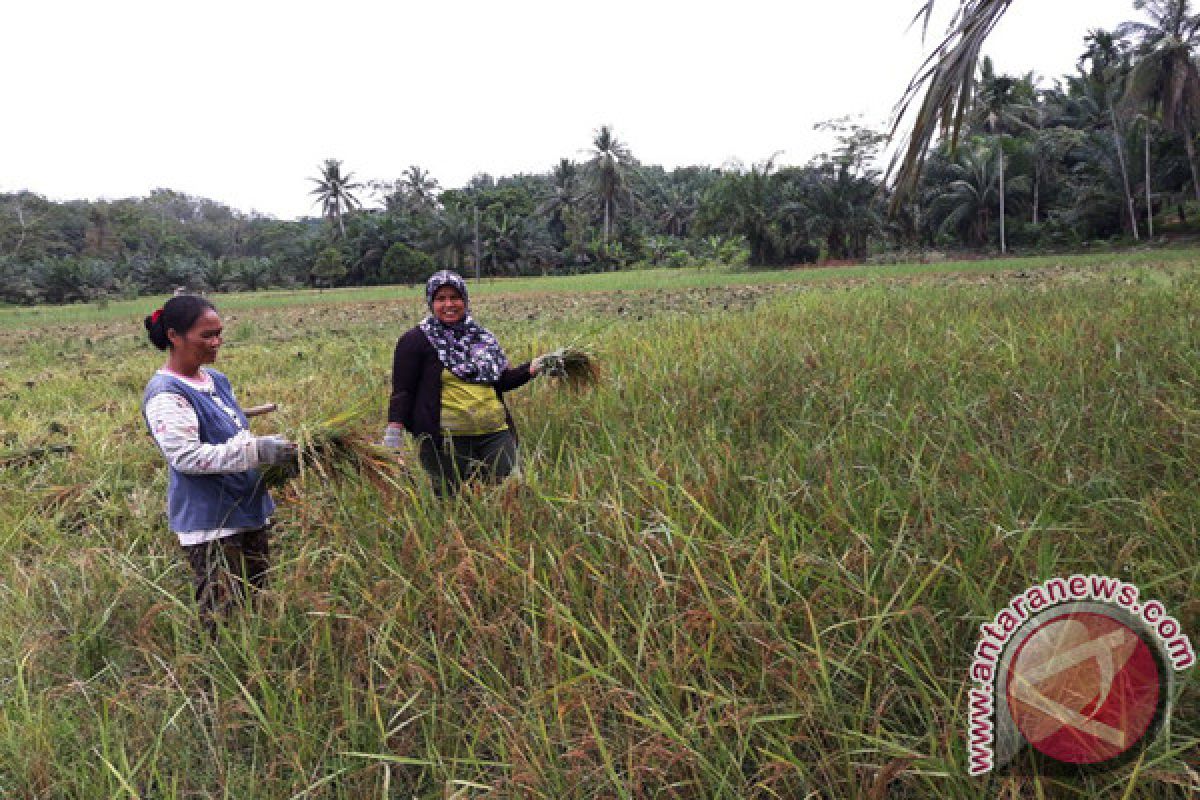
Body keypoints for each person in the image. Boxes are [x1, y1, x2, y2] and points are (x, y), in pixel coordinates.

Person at [141, 294, 297, 633]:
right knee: (222, 619)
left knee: (254, 607)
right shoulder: (166, 394)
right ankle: (214, 685)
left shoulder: (216, 381)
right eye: (206, 336)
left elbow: (235, 437)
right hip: (211, 523)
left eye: (219, 333)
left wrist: (276, 456)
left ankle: (254, 675)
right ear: (173, 336)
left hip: (247, 509)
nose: (216, 343)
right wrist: (258, 451)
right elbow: (186, 457)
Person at [384, 270, 547, 496]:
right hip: (446, 439)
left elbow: (500, 380)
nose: (449, 304)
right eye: (441, 299)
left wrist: (533, 368)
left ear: (465, 300)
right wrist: (394, 430)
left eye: (455, 297)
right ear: (431, 303)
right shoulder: (415, 340)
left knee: (511, 492)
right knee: (451, 499)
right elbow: (403, 390)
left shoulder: (482, 337)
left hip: (494, 431)